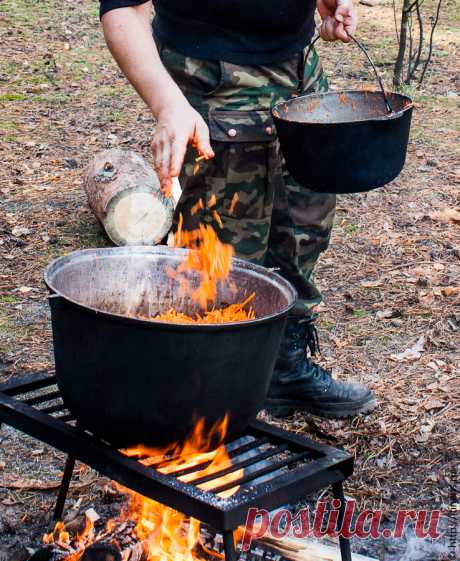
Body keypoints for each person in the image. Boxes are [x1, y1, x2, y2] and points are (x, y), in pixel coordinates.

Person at [99, 0, 377, 419]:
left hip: (299, 71)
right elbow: (123, 10)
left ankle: (285, 367)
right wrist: (168, 105)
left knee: (305, 222)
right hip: (215, 81)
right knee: (225, 247)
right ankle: (205, 395)